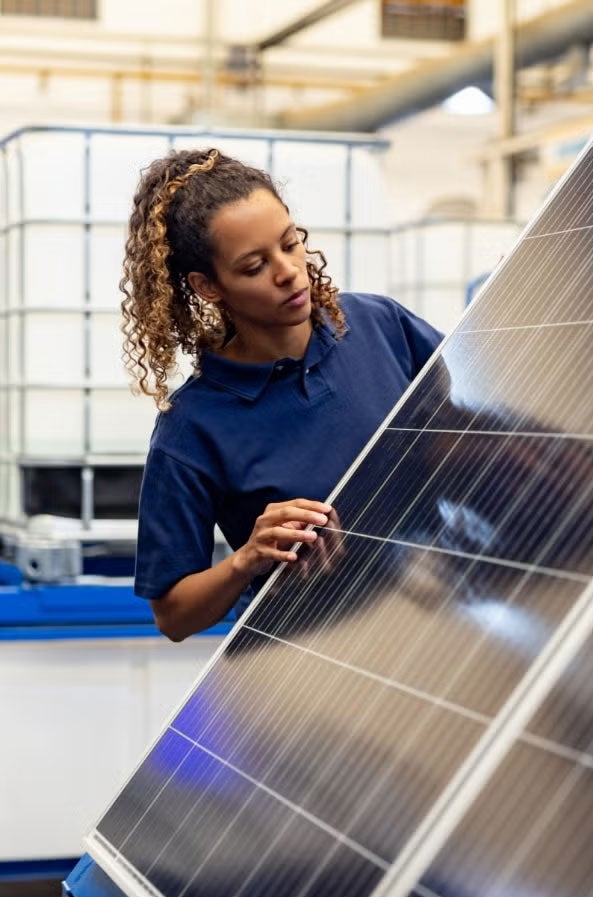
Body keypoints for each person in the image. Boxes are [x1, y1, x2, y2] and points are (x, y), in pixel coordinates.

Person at [120, 148, 443, 641]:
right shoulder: (192, 426)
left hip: (445, 621)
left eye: (289, 244)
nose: (288, 272)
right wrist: (246, 560)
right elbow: (174, 617)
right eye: (253, 267)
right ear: (208, 287)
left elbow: (476, 421)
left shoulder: (382, 326)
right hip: (314, 663)